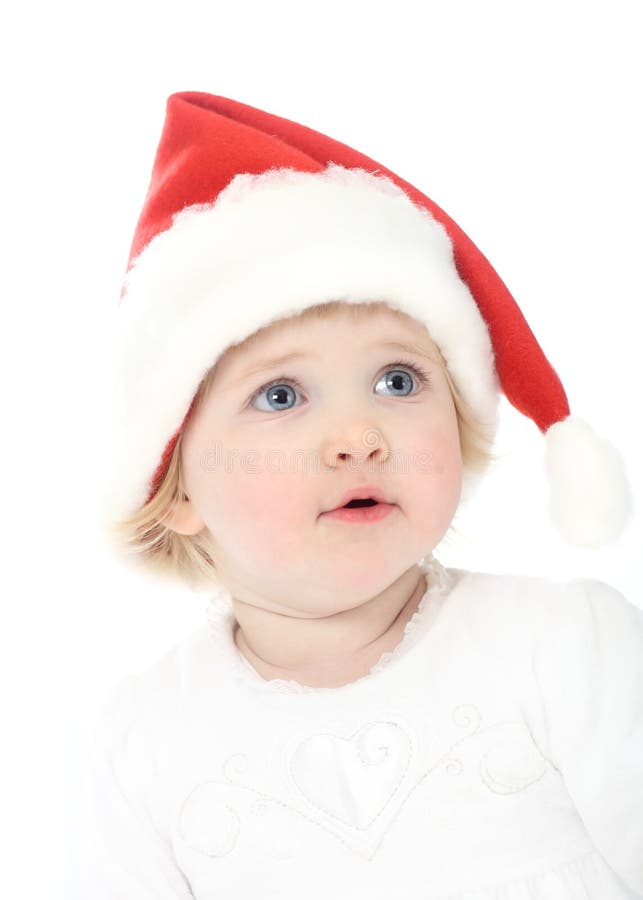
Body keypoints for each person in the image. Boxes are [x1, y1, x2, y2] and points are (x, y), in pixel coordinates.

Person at [89, 91, 643, 899]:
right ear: (174, 490)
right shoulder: (138, 745)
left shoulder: (565, 647)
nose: (359, 433)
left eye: (397, 379)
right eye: (280, 395)